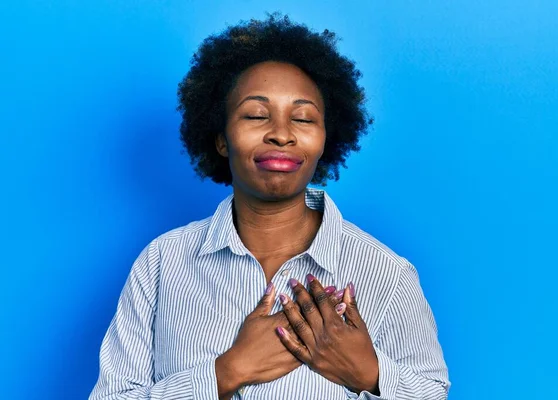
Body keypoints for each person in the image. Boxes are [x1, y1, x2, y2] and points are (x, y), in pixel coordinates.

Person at [89, 13, 450, 400]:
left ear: (327, 139)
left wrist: (371, 373)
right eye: (257, 115)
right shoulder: (161, 264)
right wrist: (226, 372)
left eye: (303, 118)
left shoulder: (387, 274)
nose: (281, 134)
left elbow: (432, 392)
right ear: (222, 139)